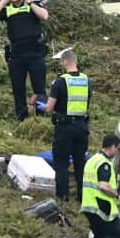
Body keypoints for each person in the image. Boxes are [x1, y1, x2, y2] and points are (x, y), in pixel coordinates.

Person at [34, 49, 90, 203]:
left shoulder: (60, 82)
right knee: (80, 163)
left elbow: (49, 108)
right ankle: (82, 196)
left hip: (64, 128)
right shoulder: (86, 80)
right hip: (82, 126)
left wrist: (41, 106)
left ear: (65, 61)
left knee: (61, 162)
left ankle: (63, 196)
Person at [0, 0, 49, 121]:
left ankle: (41, 116)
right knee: (18, 89)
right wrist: (3, 2)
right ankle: (21, 118)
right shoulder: (8, 9)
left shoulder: (33, 5)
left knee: (39, 88)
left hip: (35, 53)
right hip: (17, 55)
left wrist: (30, 2)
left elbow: (44, 16)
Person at [79, 134, 120, 238]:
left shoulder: (92, 160)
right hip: (100, 206)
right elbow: (103, 186)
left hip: (89, 204)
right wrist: (117, 196)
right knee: (117, 235)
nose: (117, 152)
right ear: (112, 146)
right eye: (117, 149)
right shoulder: (104, 163)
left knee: (101, 235)